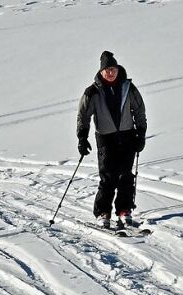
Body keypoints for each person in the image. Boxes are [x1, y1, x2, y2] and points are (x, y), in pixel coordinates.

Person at [77, 51, 147, 229]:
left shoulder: (128, 87)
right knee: (108, 176)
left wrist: (141, 133)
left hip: (127, 136)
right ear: (101, 71)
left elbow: (139, 110)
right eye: (107, 69)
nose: (110, 72)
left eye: (113, 69)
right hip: (105, 138)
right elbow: (83, 115)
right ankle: (102, 212)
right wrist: (82, 137)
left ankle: (124, 210)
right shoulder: (92, 92)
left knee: (126, 175)